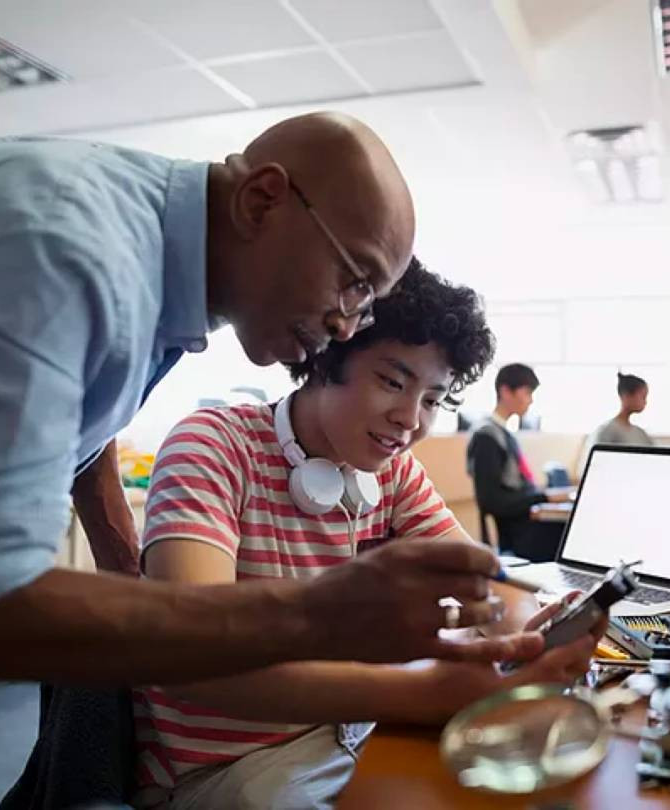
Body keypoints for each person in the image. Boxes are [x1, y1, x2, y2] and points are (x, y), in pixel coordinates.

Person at [0, 113, 520, 789]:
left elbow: (83, 421)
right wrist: (319, 615)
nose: (344, 323)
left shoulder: (160, 280)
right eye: (353, 280)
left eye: (367, 305)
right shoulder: (67, 251)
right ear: (264, 200)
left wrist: (126, 566)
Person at [132, 261, 604, 809]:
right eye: (392, 381)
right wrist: (423, 694)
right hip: (229, 769)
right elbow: (194, 663)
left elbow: (483, 581)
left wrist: (537, 628)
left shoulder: (391, 471)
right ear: (325, 357)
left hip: (352, 732)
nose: (409, 419)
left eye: (432, 398)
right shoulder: (213, 446)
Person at [466, 364, 571, 558]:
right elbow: (491, 501)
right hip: (518, 534)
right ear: (506, 391)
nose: (530, 400)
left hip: (528, 523)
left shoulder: (505, 434)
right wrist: (545, 497)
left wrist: (546, 496)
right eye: (527, 392)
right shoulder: (486, 437)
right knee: (570, 536)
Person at [584, 372, 654, 456]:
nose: (645, 402)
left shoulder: (641, 433)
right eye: (643, 397)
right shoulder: (607, 431)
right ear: (626, 396)